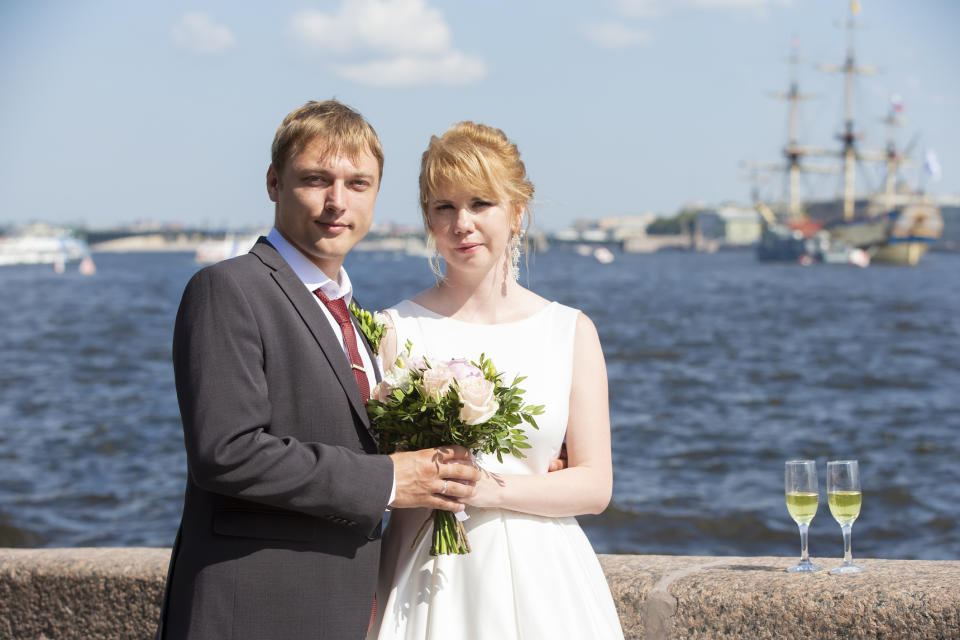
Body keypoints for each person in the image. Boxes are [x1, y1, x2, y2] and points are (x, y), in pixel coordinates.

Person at [155, 100, 480, 640]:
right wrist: (391, 479)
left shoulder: (354, 315)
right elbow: (226, 453)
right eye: (315, 179)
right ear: (274, 182)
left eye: (358, 183)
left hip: (343, 607)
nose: (337, 202)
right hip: (252, 609)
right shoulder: (228, 288)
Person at [369, 122, 624, 639]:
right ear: (428, 219)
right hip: (427, 581)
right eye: (444, 207)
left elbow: (595, 486)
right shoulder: (395, 331)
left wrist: (488, 487)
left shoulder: (570, 332)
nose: (462, 223)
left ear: (516, 212)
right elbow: (370, 474)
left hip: (547, 582)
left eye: (481, 203)